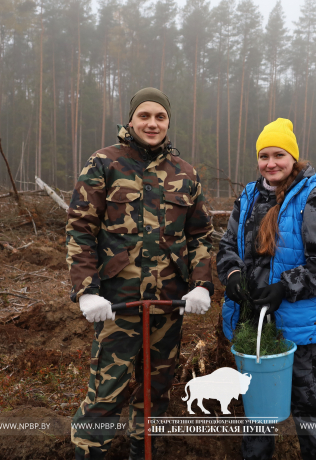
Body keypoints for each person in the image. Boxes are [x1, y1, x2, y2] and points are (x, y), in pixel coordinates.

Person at [66, 87, 214, 460]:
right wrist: (87, 291)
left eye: (160, 117)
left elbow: (200, 235)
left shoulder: (185, 173)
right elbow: (81, 229)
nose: (152, 123)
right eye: (144, 116)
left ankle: (141, 454)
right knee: (106, 392)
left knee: (155, 393)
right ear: (130, 120)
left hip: (168, 305)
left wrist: (202, 284)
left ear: (168, 122)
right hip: (117, 304)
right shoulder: (105, 163)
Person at [217, 118, 316, 460]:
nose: (270, 163)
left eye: (279, 154)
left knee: (307, 404)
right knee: (257, 410)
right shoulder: (248, 196)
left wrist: (283, 289)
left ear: (293, 157)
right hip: (252, 324)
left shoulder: (314, 198)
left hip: (295, 327)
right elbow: (227, 245)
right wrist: (231, 275)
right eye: (263, 155)